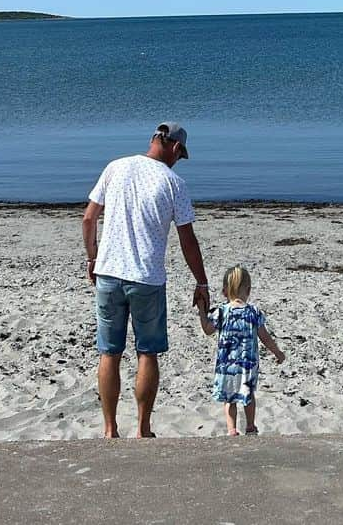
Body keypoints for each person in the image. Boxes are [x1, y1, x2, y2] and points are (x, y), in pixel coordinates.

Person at [82, 122, 210, 439]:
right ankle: (143, 428)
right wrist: (201, 282)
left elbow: (88, 218)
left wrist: (92, 258)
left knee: (109, 353)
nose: (179, 161)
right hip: (147, 279)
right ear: (176, 148)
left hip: (109, 274)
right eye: (181, 156)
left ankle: (110, 429)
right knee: (147, 353)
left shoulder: (116, 166)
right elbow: (187, 240)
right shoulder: (174, 183)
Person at [199, 264, 285, 436]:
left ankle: (232, 429)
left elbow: (208, 330)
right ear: (249, 289)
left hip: (226, 365)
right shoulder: (253, 312)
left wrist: (202, 311)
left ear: (224, 291)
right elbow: (264, 336)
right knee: (248, 395)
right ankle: (250, 426)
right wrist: (277, 352)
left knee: (229, 399)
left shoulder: (221, 312)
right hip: (247, 364)